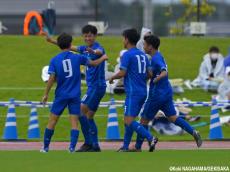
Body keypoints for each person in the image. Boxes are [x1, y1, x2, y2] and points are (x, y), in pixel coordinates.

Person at [131, 35, 202, 151]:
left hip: (156, 95)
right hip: (166, 92)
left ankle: (138, 146)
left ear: (150, 47)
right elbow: (158, 71)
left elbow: (164, 72)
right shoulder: (159, 56)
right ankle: (193, 131)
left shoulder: (155, 59)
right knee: (173, 117)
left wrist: (156, 79)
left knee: (143, 120)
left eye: (144, 44)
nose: (143, 46)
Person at [40, 33, 107, 153]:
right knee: (74, 123)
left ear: (59, 45)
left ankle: (45, 147)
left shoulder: (54, 60)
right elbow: (93, 63)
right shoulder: (77, 58)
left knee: (52, 121)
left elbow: (51, 79)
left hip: (61, 95)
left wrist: (46, 94)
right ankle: (71, 148)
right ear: (70, 44)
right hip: (75, 96)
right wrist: (103, 58)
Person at [109, 28, 158, 152]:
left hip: (133, 93)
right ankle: (126, 147)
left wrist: (112, 77)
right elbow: (150, 74)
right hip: (142, 91)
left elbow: (123, 72)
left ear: (126, 39)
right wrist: (140, 78)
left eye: (123, 38)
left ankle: (150, 137)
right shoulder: (143, 55)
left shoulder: (127, 54)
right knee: (129, 120)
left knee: (129, 120)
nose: (122, 40)